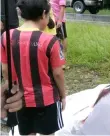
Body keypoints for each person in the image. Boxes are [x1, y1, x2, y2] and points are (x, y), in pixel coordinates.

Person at [1, 0, 66, 135]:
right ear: (43, 14)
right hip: (46, 99)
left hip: (20, 98)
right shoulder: (51, 41)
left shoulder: (6, 37)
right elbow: (58, 73)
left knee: (27, 132)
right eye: (49, 16)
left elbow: (5, 70)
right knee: (48, 133)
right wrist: (63, 95)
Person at [50, 0, 69, 69]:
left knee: (63, 38)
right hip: (52, 20)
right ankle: (57, 61)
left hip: (59, 21)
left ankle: (63, 61)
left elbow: (62, 8)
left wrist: (60, 20)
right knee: (55, 40)